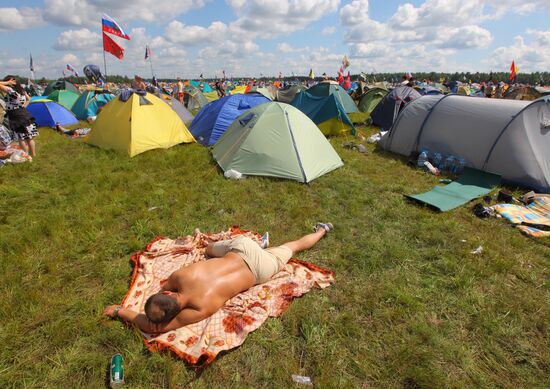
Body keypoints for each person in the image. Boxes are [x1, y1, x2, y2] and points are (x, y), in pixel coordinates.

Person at [103, 223, 334, 333]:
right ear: (168, 292)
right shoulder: (180, 276)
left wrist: (118, 311)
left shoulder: (200, 308)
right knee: (209, 250)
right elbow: (157, 320)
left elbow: (155, 327)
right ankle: (320, 229)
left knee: (290, 248)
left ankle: (323, 230)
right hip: (241, 248)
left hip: (259, 271)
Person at [1, 76, 38, 157]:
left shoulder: (11, 91)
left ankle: (26, 156)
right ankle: (33, 155)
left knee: (21, 138)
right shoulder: (21, 91)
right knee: (29, 137)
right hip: (24, 113)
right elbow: (29, 99)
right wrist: (23, 107)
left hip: (16, 115)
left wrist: (7, 83)